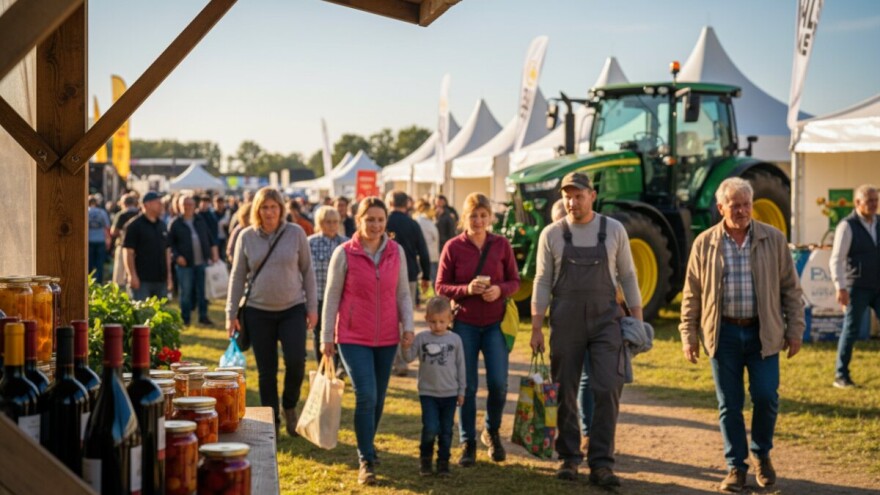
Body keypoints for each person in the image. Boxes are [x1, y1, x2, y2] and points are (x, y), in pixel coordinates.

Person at [680, 177, 804, 492]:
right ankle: (736, 467)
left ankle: (761, 453)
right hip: (723, 335)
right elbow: (691, 294)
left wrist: (795, 330)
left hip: (764, 333)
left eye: (746, 204)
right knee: (729, 404)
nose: (742, 211)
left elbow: (790, 288)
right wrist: (688, 335)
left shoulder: (773, 239)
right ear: (721, 207)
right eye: (735, 205)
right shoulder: (705, 243)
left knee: (765, 396)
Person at [529, 172, 641, 487]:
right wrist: (537, 326)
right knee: (564, 389)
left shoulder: (614, 230)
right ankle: (568, 458)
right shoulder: (551, 234)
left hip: (607, 320)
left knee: (607, 387)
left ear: (592, 195)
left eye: (578, 195)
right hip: (565, 319)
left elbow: (629, 276)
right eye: (567, 195)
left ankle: (602, 463)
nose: (572, 201)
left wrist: (638, 318)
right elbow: (541, 281)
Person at [321, 196, 414, 486]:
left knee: (379, 397)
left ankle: (369, 445)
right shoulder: (344, 253)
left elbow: (403, 294)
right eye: (369, 219)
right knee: (366, 394)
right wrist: (327, 337)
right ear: (359, 220)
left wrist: (408, 326)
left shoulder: (396, 252)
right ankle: (366, 459)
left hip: (387, 337)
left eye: (380, 219)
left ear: (386, 222)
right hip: (352, 336)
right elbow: (332, 296)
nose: (375, 225)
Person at [436, 192, 520, 467]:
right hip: (466, 324)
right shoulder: (453, 246)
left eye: (483, 215)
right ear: (465, 217)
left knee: (499, 383)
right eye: (473, 215)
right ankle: (467, 442)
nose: (479, 220)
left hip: (495, 324)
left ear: (490, 217)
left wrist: (499, 289)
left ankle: (492, 430)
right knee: (467, 386)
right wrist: (466, 289)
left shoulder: (501, 245)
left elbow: (515, 281)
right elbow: (440, 286)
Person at [226, 187, 318, 435]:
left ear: (281, 209)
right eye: (264, 207)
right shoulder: (246, 236)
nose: (269, 212)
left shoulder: (295, 233)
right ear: (257, 209)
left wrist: (312, 307)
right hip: (258, 311)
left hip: (292, 308)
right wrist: (230, 313)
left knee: (296, 361)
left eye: (273, 207)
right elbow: (237, 277)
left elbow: (308, 271)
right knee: (267, 371)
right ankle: (272, 421)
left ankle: (289, 405)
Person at [401, 296, 465, 477]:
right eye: (433, 322)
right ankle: (425, 460)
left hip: (450, 394)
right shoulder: (422, 338)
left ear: (450, 319)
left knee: (446, 430)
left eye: (442, 321)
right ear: (426, 319)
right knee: (430, 427)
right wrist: (405, 346)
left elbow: (461, 367)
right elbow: (408, 358)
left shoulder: (455, 340)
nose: (437, 326)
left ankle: (443, 462)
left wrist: (461, 391)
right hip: (428, 393)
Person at [829, 184, 879, 389]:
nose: (874, 205)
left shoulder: (879, 222)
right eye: (870, 201)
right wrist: (840, 287)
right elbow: (837, 259)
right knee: (851, 330)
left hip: (878, 285)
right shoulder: (847, 226)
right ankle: (841, 375)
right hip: (856, 286)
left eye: (876, 201)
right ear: (858, 203)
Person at [386, 190, 431, 376]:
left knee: (389, 319)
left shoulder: (384, 221)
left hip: (387, 273)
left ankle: (394, 360)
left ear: (390, 202)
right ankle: (404, 360)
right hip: (410, 274)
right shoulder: (412, 224)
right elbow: (423, 250)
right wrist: (426, 276)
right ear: (407, 203)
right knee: (406, 318)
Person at [169, 195, 219, 326]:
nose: (188, 207)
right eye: (185, 204)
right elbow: (170, 245)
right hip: (185, 264)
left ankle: (203, 316)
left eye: (190, 204)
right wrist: (177, 256)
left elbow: (210, 238)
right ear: (179, 206)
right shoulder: (175, 223)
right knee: (185, 292)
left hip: (202, 262)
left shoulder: (200, 220)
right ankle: (185, 318)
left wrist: (214, 253)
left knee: (203, 292)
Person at [307, 205, 348, 365]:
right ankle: (323, 365)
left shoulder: (345, 243)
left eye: (335, 222)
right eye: (328, 222)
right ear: (320, 223)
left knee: (339, 332)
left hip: (341, 297)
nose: (332, 226)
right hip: (318, 296)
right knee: (320, 333)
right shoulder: (310, 243)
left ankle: (339, 366)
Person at [123, 192, 173, 300]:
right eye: (158, 203)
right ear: (147, 205)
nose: (161, 205)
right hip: (142, 280)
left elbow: (167, 252)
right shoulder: (134, 226)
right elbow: (128, 253)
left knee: (160, 314)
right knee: (142, 313)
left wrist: (169, 276)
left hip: (160, 279)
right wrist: (132, 275)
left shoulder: (162, 225)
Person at [110, 194, 140, 288]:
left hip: (123, 245)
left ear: (123, 203)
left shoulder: (122, 214)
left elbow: (114, 232)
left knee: (120, 274)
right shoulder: (139, 214)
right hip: (138, 246)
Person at [413, 199, 440, 294]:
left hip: (427, 253)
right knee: (431, 277)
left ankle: (424, 296)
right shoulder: (424, 222)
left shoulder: (422, 221)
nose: (434, 211)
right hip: (429, 254)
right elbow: (433, 237)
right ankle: (429, 296)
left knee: (424, 277)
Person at [87, 195, 112, 283]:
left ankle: (88, 282)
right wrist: (108, 240)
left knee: (88, 263)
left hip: (89, 240)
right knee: (99, 264)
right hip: (100, 240)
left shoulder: (86, 212)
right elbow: (107, 227)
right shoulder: (102, 212)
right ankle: (99, 282)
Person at [213, 195, 232, 262]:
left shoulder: (228, 213)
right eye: (217, 202)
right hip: (215, 238)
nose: (219, 205)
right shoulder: (212, 214)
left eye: (221, 203)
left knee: (224, 255)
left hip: (225, 238)